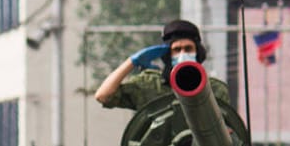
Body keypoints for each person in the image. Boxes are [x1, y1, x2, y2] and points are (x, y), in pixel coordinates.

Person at [93, 19, 232, 111]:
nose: (183, 54)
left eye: (188, 49)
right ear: (167, 55)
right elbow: (103, 95)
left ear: (198, 53)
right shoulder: (148, 84)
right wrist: (132, 61)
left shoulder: (215, 90)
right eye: (177, 50)